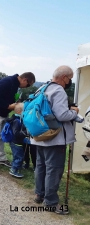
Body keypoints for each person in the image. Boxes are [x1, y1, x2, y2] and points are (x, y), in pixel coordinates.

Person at [33, 65, 79, 215]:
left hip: (40, 135)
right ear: (64, 77)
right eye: (70, 78)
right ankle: (51, 202)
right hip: (54, 138)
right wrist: (73, 112)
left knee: (41, 166)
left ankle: (39, 194)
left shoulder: (42, 88)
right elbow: (62, 116)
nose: (70, 81)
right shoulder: (58, 90)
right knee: (54, 169)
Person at [0, 72, 35, 175]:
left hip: (4, 114)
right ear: (25, 80)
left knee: (2, 137)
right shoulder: (6, 82)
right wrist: (9, 106)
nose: (27, 87)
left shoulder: (15, 84)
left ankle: (1, 158)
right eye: (28, 85)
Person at [8, 103, 29, 178]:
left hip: (18, 142)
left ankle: (15, 166)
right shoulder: (17, 121)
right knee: (19, 157)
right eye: (24, 110)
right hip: (16, 142)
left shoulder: (19, 119)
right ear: (20, 111)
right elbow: (16, 133)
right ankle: (14, 170)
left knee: (16, 156)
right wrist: (26, 133)